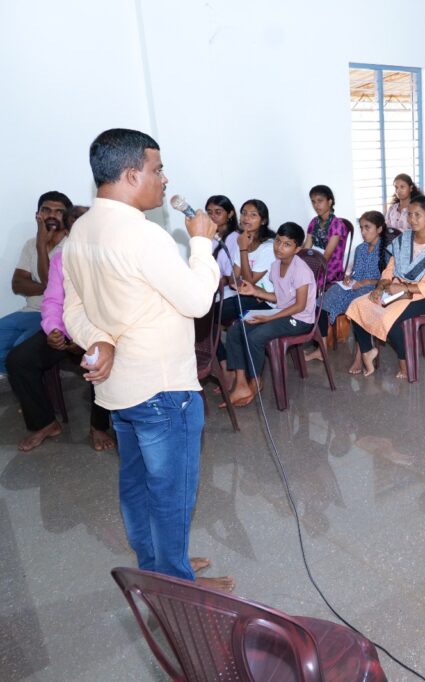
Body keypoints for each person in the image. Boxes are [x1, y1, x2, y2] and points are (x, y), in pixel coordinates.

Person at [61, 128, 232, 589]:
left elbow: (71, 310)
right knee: (171, 493)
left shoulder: (79, 231)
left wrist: (100, 340)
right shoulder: (145, 236)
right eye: (157, 169)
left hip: (117, 390)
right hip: (162, 388)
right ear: (132, 174)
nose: (163, 178)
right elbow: (198, 300)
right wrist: (201, 242)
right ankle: (177, 587)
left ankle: (156, 564)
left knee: (137, 486)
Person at [7, 232, 115, 453]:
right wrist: (54, 330)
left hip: (99, 331)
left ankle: (98, 426)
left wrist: (87, 338)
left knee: (97, 359)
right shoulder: (63, 258)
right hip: (65, 329)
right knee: (19, 360)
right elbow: (53, 300)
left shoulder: (110, 256)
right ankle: (45, 423)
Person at [348, 196, 425, 378]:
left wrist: (404, 288)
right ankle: (367, 351)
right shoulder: (404, 239)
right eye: (410, 214)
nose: (412, 219)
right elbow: (390, 269)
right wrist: (380, 288)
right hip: (396, 289)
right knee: (358, 305)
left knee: (389, 318)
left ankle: (405, 363)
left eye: (417, 215)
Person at [224, 222, 316, 408]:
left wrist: (269, 318)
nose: (279, 247)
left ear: (297, 249)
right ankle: (241, 382)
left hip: (299, 319)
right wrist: (255, 291)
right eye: (278, 242)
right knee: (236, 329)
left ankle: (255, 381)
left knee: (256, 336)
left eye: (286, 244)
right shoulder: (275, 266)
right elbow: (278, 298)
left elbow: (299, 306)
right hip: (281, 312)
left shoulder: (301, 270)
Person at [0, 191, 71, 373]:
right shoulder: (30, 244)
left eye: (59, 211)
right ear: (38, 215)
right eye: (46, 210)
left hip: (54, 316)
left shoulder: (72, 247)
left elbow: (49, 283)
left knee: (19, 350)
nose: (52, 215)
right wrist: (50, 288)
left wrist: (42, 247)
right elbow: (17, 284)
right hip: (28, 312)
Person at [311, 212, 387, 373]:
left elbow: (389, 279)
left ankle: (360, 356)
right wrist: (348, 278)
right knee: (321, 301)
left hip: (375, 289)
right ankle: (321, 348)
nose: (363, 232)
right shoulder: (360, 248)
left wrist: (368, 282)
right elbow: (357, 273)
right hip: (355, 285)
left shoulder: (387, 250)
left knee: (357, 307)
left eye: (367, 227)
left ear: (379, 229)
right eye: (361, 228)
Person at [222, 199, 275, 324]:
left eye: (253, 215)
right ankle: (213, 344)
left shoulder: (268, 247)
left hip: (266, 301)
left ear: (263, 221)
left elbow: (248, 281)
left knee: (218, 313)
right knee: (211, 310)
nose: (246, 218)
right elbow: (233, 279)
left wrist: (244, 249)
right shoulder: (242, 240)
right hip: (248, 295)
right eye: (244, 213)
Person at [304, 184, 348, 284]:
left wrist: (309, 268)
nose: (316, 205)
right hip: (317, 263)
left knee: (303, 282)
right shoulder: (314, 222)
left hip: (331, 269)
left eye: (320, 201)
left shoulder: (337, 225)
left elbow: (326, 257)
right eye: (313, 202)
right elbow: (306, 248)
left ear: (330, 202)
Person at [206, 195, 239, 300]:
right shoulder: (209, 237)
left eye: (218, 212)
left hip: (226, 293)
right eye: (209, 212)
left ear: (230, 214)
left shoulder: (235, 238)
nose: (213, 216)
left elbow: (230, 277)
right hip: (209, 289)